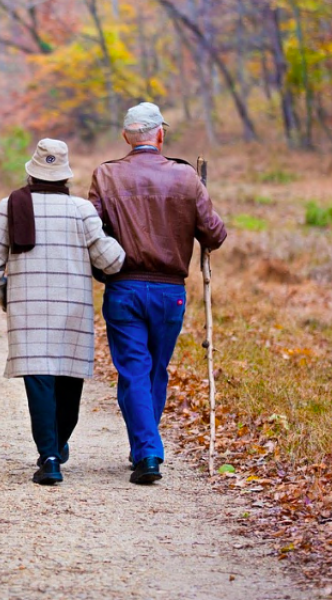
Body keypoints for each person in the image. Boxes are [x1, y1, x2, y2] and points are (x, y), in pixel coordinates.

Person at [88, 103, 227, 485]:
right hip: (170, 293)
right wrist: (198, 197)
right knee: (153, 370)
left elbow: (89, 229)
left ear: (125, 138)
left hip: (124, 287)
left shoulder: (106, 175)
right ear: (160, 135)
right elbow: (215, 234)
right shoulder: (185, 177)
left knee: (134, 370)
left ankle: (145, 449)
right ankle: (147, 449)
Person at [0, 138, 125, 485]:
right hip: (72, 310)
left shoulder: (10, 206)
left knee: (39, 382)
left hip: (28, 313)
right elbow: (112, 261)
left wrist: (7, 297)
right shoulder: (81, 210)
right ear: (65, 177)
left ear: (31, 173)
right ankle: (56, 446)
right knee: (68, 383)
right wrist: (116, 239)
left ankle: (49, 457)